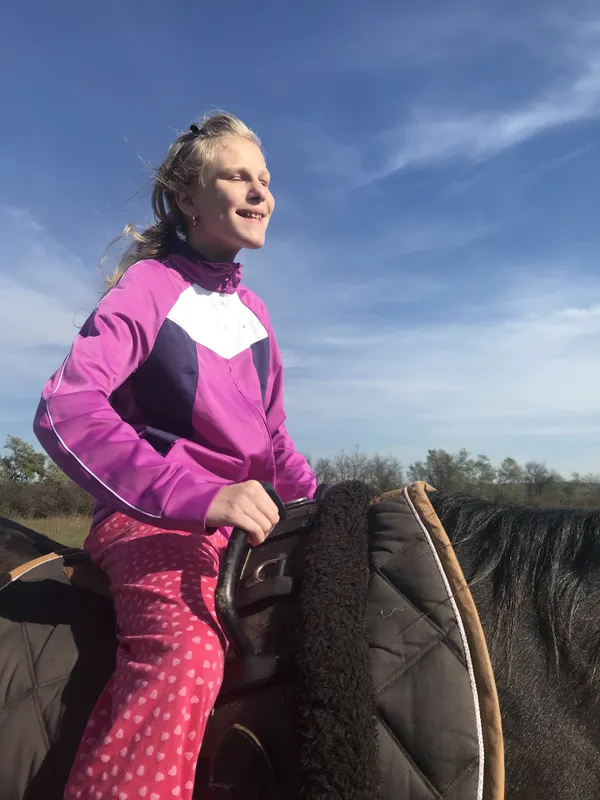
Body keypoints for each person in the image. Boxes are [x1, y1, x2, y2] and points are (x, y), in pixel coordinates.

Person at [33, 111, 317, 800]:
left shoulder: (256, 314)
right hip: (149, 523)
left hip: (250, 527)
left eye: (265, 179)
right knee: (187, 655)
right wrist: (197, 494)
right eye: (237, 177)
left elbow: (274, 440)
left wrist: (327, 508)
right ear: (189, 197)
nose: (260, 192)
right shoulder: (148, 289)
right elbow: (67, 408)